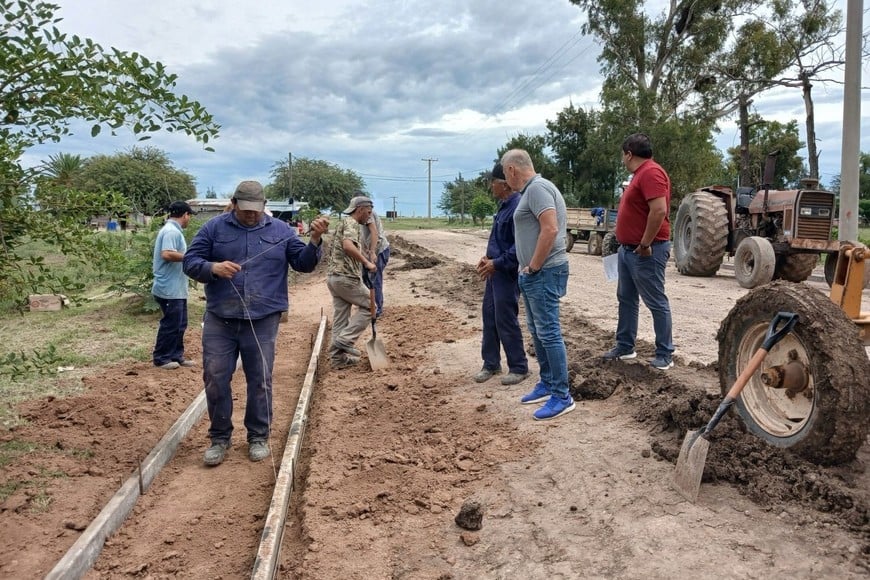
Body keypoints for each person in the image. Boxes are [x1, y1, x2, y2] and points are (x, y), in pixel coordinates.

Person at [183, 180, 329, 466]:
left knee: (260, 379)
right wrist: (212, 267)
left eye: (256, 209)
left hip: (263, 318)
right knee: (215, 377)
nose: (251, 214)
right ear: (234, 204)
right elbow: (190, 261)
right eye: (245, 209)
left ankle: (258, 436)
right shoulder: (214, 228)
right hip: (220, 317)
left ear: (264, 206)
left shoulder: (281, 231)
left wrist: (314, 240)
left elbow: (303, 264)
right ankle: (219, 438)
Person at [501, 149, 575, 421]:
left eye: (505, 173)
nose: (506, 179)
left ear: (512, 170)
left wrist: (533, 266)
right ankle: (548, 382)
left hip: (543, 272)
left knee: (549, 332)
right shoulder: (533, 190)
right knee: (538, 330)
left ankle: (562, 396)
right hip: (535, 273)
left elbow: (551, 228)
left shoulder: (537, 189)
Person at [602, 133, 675, 370]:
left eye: (622, 155)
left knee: (655, 301)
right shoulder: (639, 175)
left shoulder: (651, 173)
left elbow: (659, 211)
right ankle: (625, 346)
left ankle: (665, 353)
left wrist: (644, 244)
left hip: (646, 251)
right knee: (626, 298)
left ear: (629, 154)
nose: (622, 159)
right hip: (628, 250)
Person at [474, 162, 529, 386]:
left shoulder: (517, 208)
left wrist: (496, 263)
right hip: (494, 271)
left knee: (505, 319)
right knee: (489, 316)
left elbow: (519, 246)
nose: (491, 186)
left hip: (506, 273)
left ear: (504, 184)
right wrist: (487, 257)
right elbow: (499, 239)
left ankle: (519, 367)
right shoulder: (504, 206)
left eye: (493, 182)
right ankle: (491, 364)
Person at [326, 195, 378, 368]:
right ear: (360, 209)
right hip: (346, 277)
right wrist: (366, 263)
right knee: (371, 307)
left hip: (333, 278)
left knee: (341, 317)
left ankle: (337, 360)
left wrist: (367, 255)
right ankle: (345, 340)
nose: (369, 217)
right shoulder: (352, 223)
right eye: (368, 212)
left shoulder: (343, 222)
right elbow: (348, 246)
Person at [151, 201, 193, 370]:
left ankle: (176, 355)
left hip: (176, 288)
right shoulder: (171, 231)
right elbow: (167, 254)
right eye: (189, 216)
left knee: (180, 323)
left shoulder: (174, 231)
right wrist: (190, 257)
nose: (189, 219)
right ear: (185, 215)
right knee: (171, 324)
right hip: (169, 288)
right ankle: (161, 358)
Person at [360, 203, 390, 318]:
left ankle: (376, 309)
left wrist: (372, 252)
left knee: (374, 279)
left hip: (379, 250)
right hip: (370, 251)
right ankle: (370, 306)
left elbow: (374, 232)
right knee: (366, 278)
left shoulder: (368, 214)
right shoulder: (358, 215)